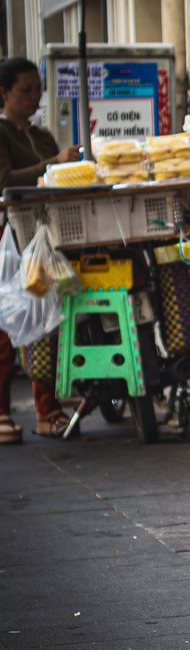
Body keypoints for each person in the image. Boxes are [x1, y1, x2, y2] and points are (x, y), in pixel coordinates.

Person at [0, 56, 81, 440]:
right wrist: (54, 163)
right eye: (26, 90)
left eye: (38, 88)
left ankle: (47, 407)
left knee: (47, 319)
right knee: (7, 325)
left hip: (45, 239)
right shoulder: (2, 134)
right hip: (9, 240)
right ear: (4, 94)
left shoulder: (42, 134)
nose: (35, 96)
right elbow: (4, 180)